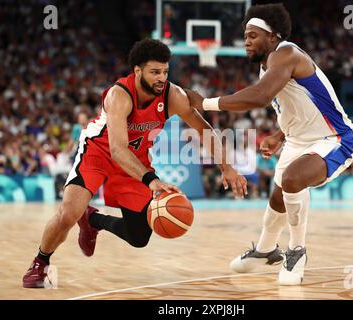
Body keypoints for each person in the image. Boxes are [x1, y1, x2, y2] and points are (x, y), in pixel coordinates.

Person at [22, 39, 247, 288]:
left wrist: (226, 167)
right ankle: (40, 262)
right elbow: (118, 150)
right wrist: (152, 180)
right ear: (137, 71)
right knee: (68, 214)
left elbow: (203, 128)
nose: (161, 78)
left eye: (165, 71)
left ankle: (93, 220)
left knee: (139, 237)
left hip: (136, 159)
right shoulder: (120, 95)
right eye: (154, 72)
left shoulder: (173, 96)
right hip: (98, 152)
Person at [184, 3, 353, 285]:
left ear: (273, 36)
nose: (246, 41)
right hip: (296, 140)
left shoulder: (287, 53)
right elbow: (292, 107)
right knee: (277, 198)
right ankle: (265, 250)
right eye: (245, 36)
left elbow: (261, 97)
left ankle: (297, 250)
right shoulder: (267, 67)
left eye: (253, 35)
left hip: (335, 138)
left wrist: (204, 102)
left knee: (292, 180)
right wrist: (279, 135)